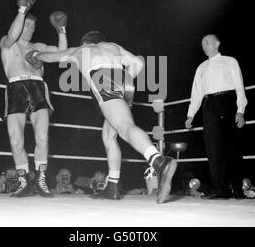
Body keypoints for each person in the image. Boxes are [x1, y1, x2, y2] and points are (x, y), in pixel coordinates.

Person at [25, 31, 178, 203]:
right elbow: (138, 62)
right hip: (124, 82)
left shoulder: (80, 51)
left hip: (104, 78)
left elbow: (53, 57)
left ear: (85, 42)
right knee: (108, 135)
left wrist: (35, 55)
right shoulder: (113, 46)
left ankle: (159, 161)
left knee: (125, 127)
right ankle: (112, 186)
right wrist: (124, 78)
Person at [0, 0, 68, 197]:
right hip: (16, 88)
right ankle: (23, 181)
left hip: (38, 88)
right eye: (27, 25)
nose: (30, 29)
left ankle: (41, 179)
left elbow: (61, 56)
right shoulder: (7, 44)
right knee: (16, 140)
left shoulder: (39, 47)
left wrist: (61, 30)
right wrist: (22, 11)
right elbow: (12, 35)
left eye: (33, 26)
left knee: (43, 137)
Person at [185, 34, 248, 199]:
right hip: (209, 106)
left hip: (227, 101)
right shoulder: (201, 67)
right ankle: (220, 188)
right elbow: (196, 94)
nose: (204, 46)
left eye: (207, 42)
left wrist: (240, 109)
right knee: (213, 148)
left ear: (217, 44)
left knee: (231, 147)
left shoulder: (230, 61)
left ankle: (236, 187)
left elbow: (240, 86)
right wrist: (191, 115)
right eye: (202, 43)